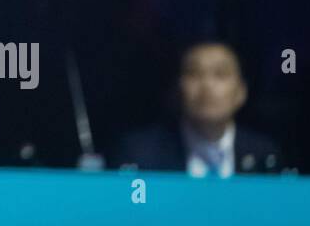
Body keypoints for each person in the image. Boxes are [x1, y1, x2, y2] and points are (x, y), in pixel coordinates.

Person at [117, 42, 283, 176]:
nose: (207, 85)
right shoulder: (140, 155)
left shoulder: (265, 155)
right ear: (178, 88)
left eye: (220, 74)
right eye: (194, 73)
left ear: (241, 91)